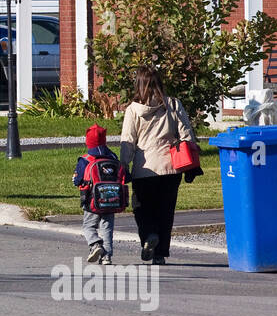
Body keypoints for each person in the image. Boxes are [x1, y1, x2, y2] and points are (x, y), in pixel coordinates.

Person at [118, 66, 199, 265]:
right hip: (171, 167)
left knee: (142, 208)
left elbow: (128, 141)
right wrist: (192, 161)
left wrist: (123, 165)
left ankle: (148, 235)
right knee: (166, 210)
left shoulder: (133, 110)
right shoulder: (173, 104)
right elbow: (186, 134)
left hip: (144, 169)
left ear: (139, 85)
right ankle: (160, 252)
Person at [72, 124, 125, 265]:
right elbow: (125, 176)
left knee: (89, 226)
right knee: (107, 227)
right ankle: (107, 256)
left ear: (87, 142)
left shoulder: (85, 160)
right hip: (112, 200)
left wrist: (76, 181)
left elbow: (78, 180)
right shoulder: (113, 157)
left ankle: (95, 245)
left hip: (91, 201)